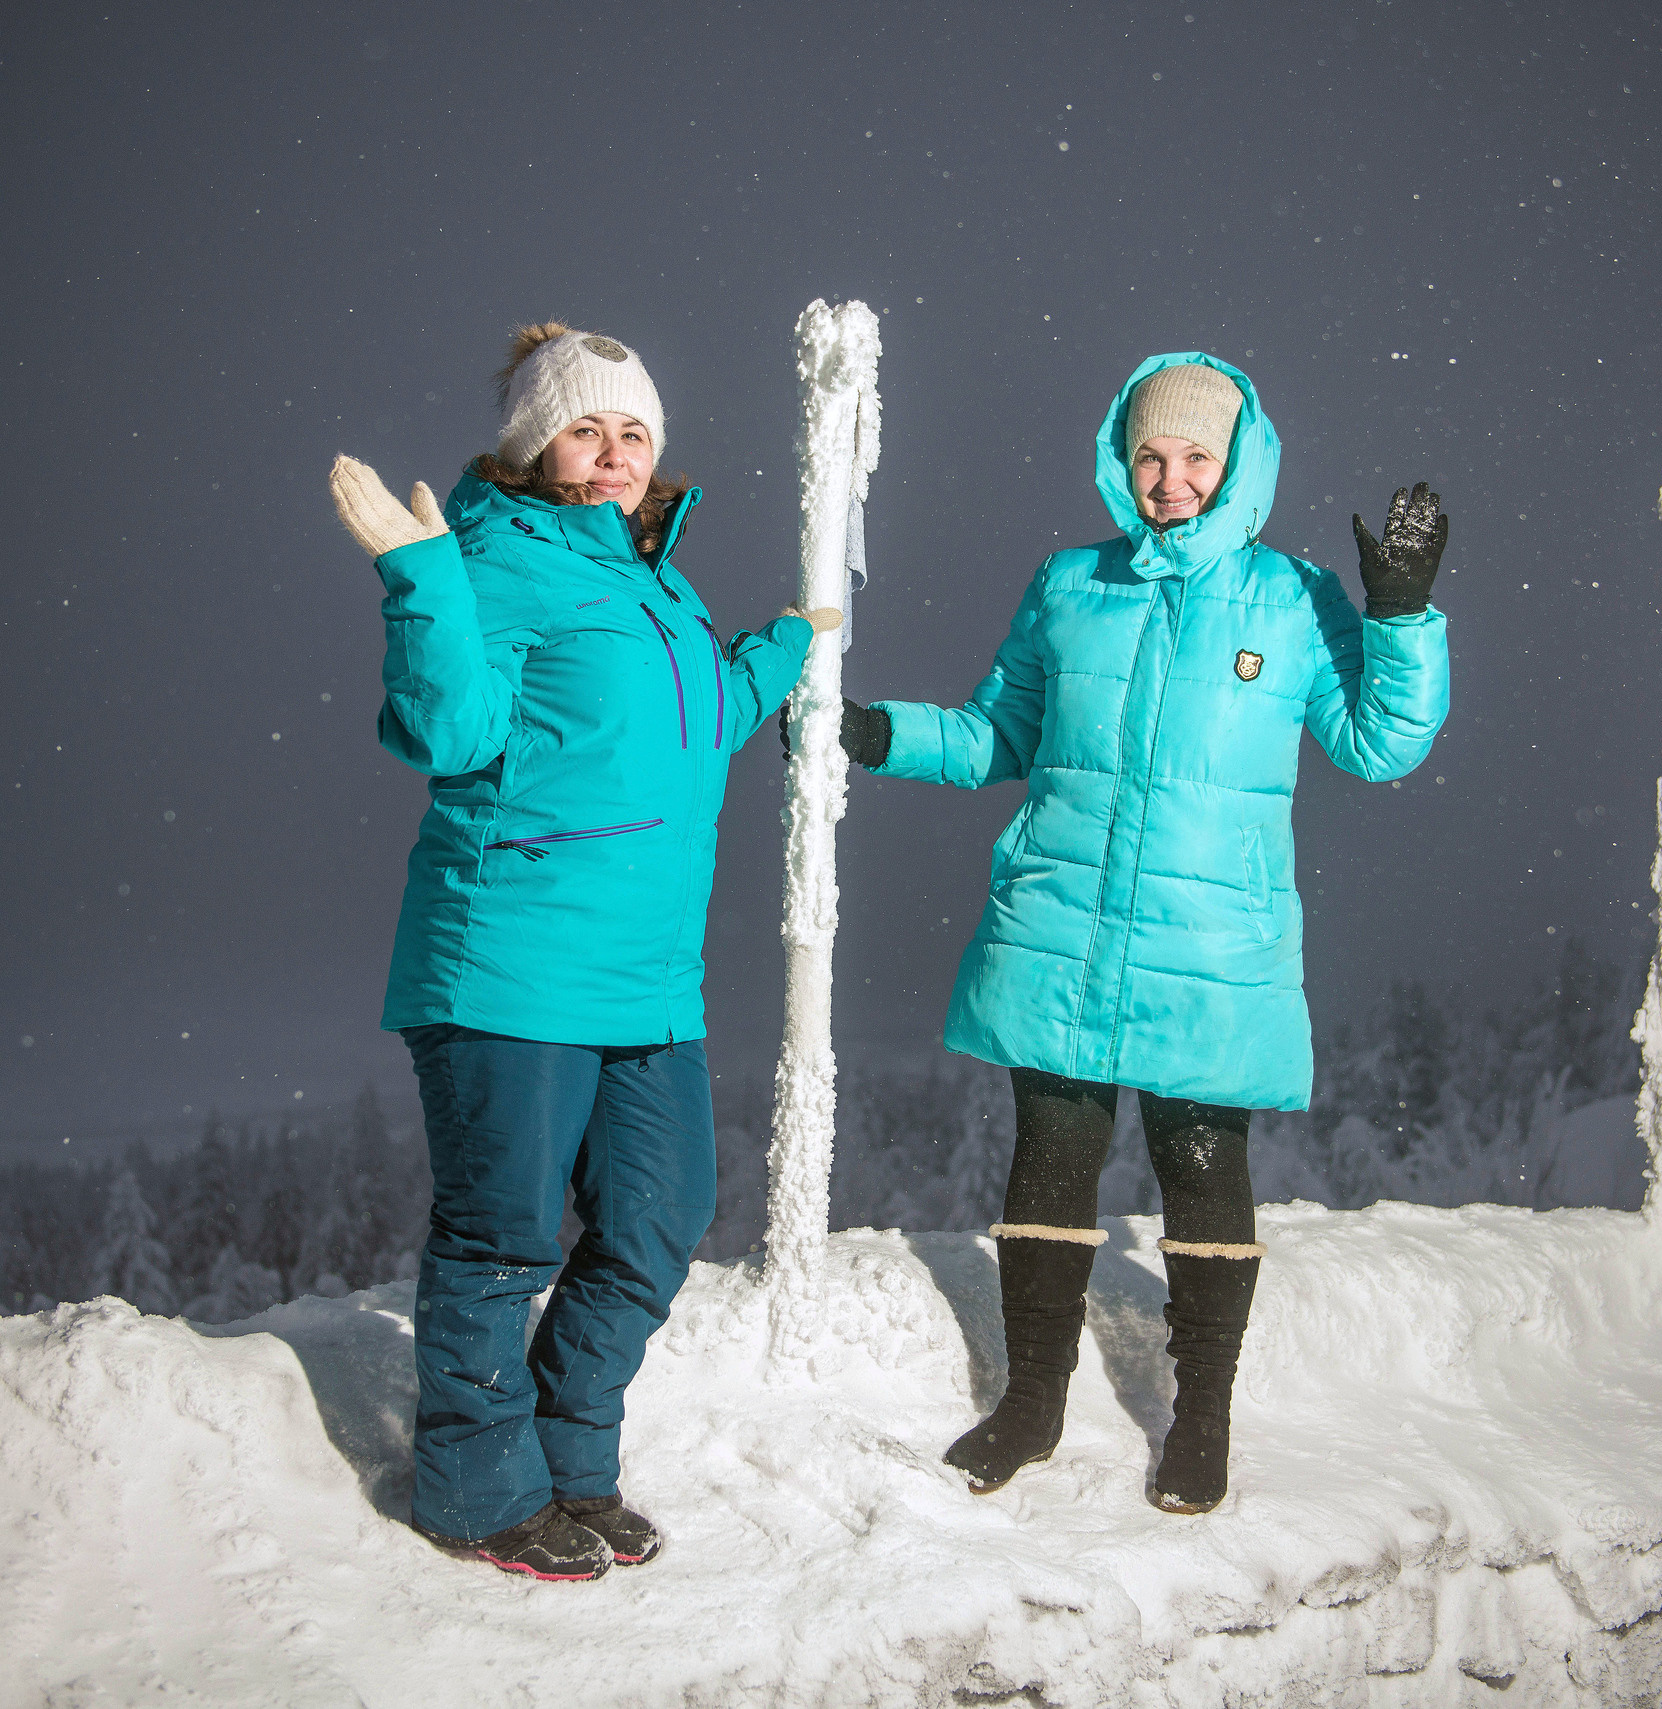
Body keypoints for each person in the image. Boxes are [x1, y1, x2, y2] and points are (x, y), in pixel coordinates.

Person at [837, 354, 1452, 1513]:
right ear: (1123, 464)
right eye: (1150, 458)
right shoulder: (1070, 584)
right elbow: (990, 735)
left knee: (1204, 1173)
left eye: (1195, 458)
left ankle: (1201, 1419)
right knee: (1048, 1171)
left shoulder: (1294, 597)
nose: (1170, 480)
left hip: (1210, 944)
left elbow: (1382, 743)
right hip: (1063, 928)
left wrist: (1404, 617)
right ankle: (1031, 1404)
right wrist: (878, 734)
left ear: (1240, 463)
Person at [329, 323, 838, 1580]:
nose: (613, 454)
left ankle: (567, 1458)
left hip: (648, 979)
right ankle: (474, 1487)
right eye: (585, 428)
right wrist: (421, 580)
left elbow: (696, 722)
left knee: (659, 1222)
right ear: (533, 441)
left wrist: (780, 647)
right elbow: (446, 729)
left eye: (633, 432)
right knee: (503, 1237)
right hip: (508, 962)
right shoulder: (492, 560)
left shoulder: (654, 580)